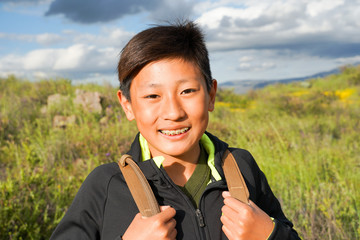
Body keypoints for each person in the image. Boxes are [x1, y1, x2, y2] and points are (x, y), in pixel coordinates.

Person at [50, 20, 300, 240]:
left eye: (187, 91)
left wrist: (271, 235)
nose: (173, 112)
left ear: (211, 95)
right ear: (127, 105)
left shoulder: (241, 166)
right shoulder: (105, 185)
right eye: (152, 95)